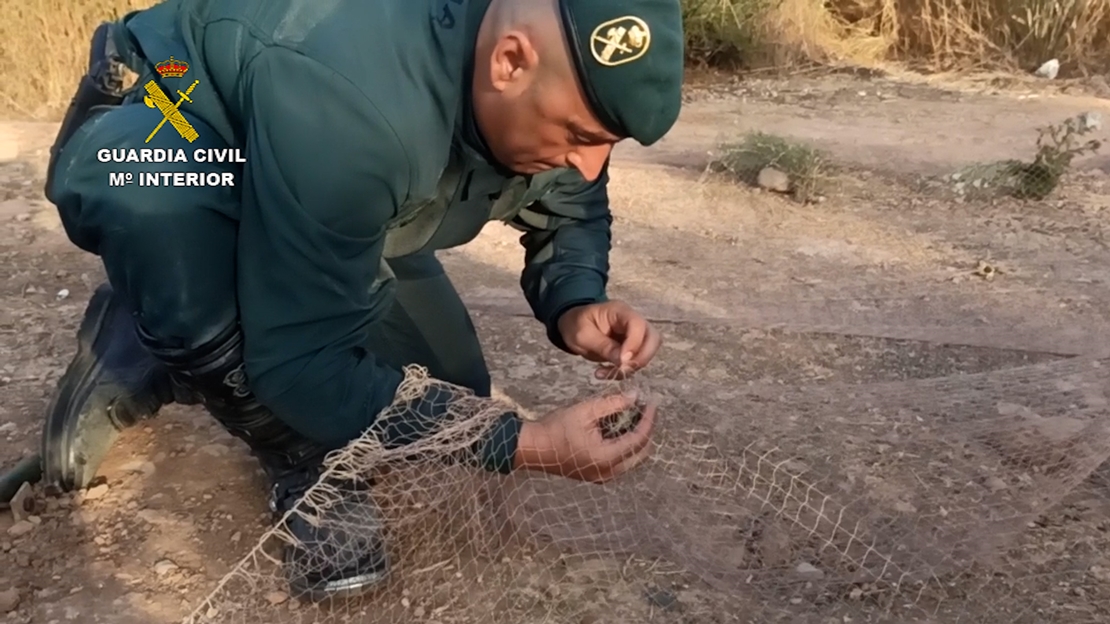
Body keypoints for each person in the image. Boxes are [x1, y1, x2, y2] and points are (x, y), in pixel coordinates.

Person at [40, 0, 684, 602]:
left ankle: (192, 309)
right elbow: (303, 366)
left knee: (447, 388)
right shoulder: (358, 104)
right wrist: (528, 443)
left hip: (317, 163)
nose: (593, 165)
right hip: (175, 94)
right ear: (509, 62)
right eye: (577, 133)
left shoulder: (541, 81)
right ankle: (270, 426)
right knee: (164, 207)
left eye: (607, 142)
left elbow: (574, 202)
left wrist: (575, 301)